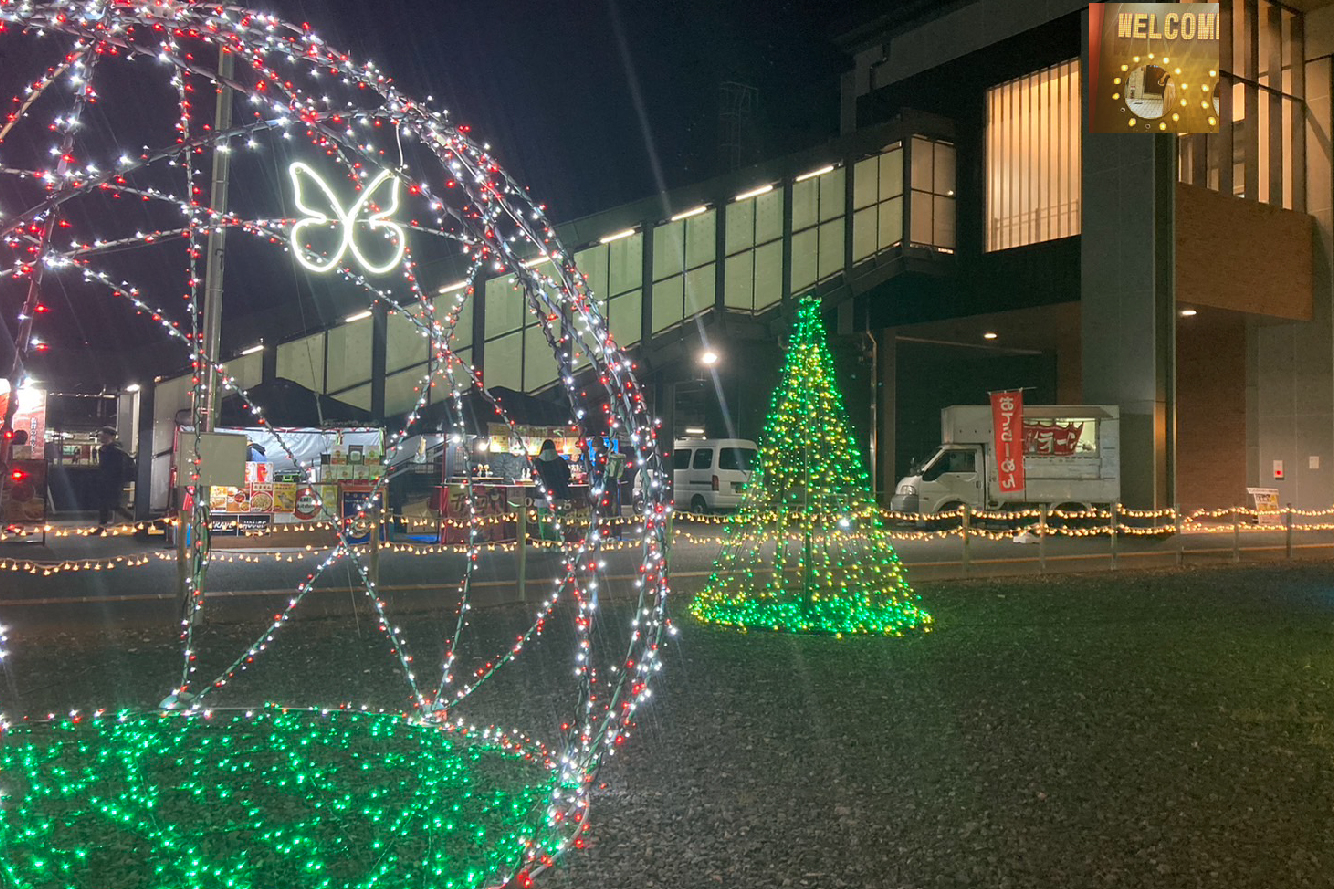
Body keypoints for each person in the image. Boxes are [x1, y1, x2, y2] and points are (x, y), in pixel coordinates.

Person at [95, 426, 134, 531]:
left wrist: (117, 481)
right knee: (105, 505)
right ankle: (101, 527)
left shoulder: (117, 452)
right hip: (105, 481)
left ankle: (136, 521)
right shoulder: (103, 450)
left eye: (102, 435)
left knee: (113, 505)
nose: (100, 437)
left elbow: (120, 469)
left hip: (113, 482)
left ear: (109, 436)